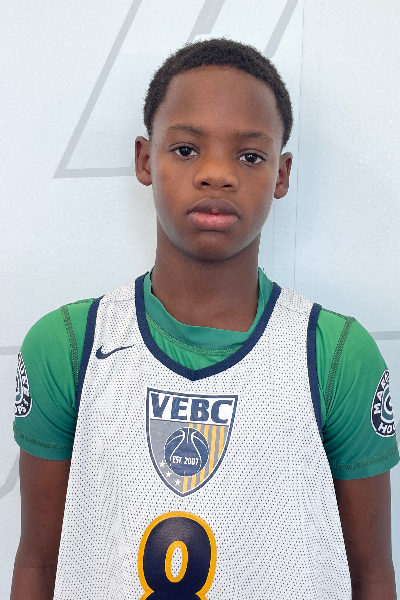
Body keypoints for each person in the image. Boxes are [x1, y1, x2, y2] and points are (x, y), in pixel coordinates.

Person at [11, 39, 398, 599]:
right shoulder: (69, 345)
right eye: (187, 149)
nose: (216, 174)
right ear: (146, 159)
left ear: (282, 174)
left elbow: (371, 576)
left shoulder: (336, 354)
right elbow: (38, 565)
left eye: (250, 156)